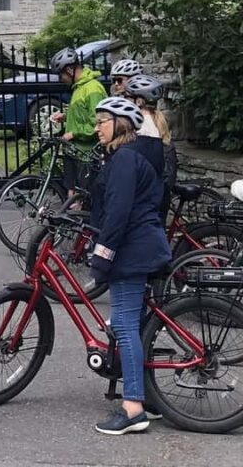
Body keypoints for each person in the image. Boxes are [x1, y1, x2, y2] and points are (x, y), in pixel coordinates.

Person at [89, 97, 171, 436]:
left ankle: (134, 407)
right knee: (133, 324)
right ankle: (146, 397)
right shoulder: (127, 158)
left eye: (102, 121)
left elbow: (118, 212)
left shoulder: (124, 159)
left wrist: (102, 256)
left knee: (122, 324)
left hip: (133, 250)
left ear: (120, 124)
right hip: (144, 245)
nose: (96, 128)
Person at [49, 47, 108, 195]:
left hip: (86, 154)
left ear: (69, 70)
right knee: (72, 192)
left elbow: (97, 124)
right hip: (74, 151)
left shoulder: (93, 89)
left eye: (61, 74)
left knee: (83, 197)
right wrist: (65, 116)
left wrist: (73, 134)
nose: (61, 79)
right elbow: (83, 113)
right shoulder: (78, 88)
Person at [123, 74, 177, 217]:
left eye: (127, 97)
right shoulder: (156, 118)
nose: (124, 100)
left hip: (149, 193)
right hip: (159, 190)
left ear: (139, 101)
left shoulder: (142, 126)